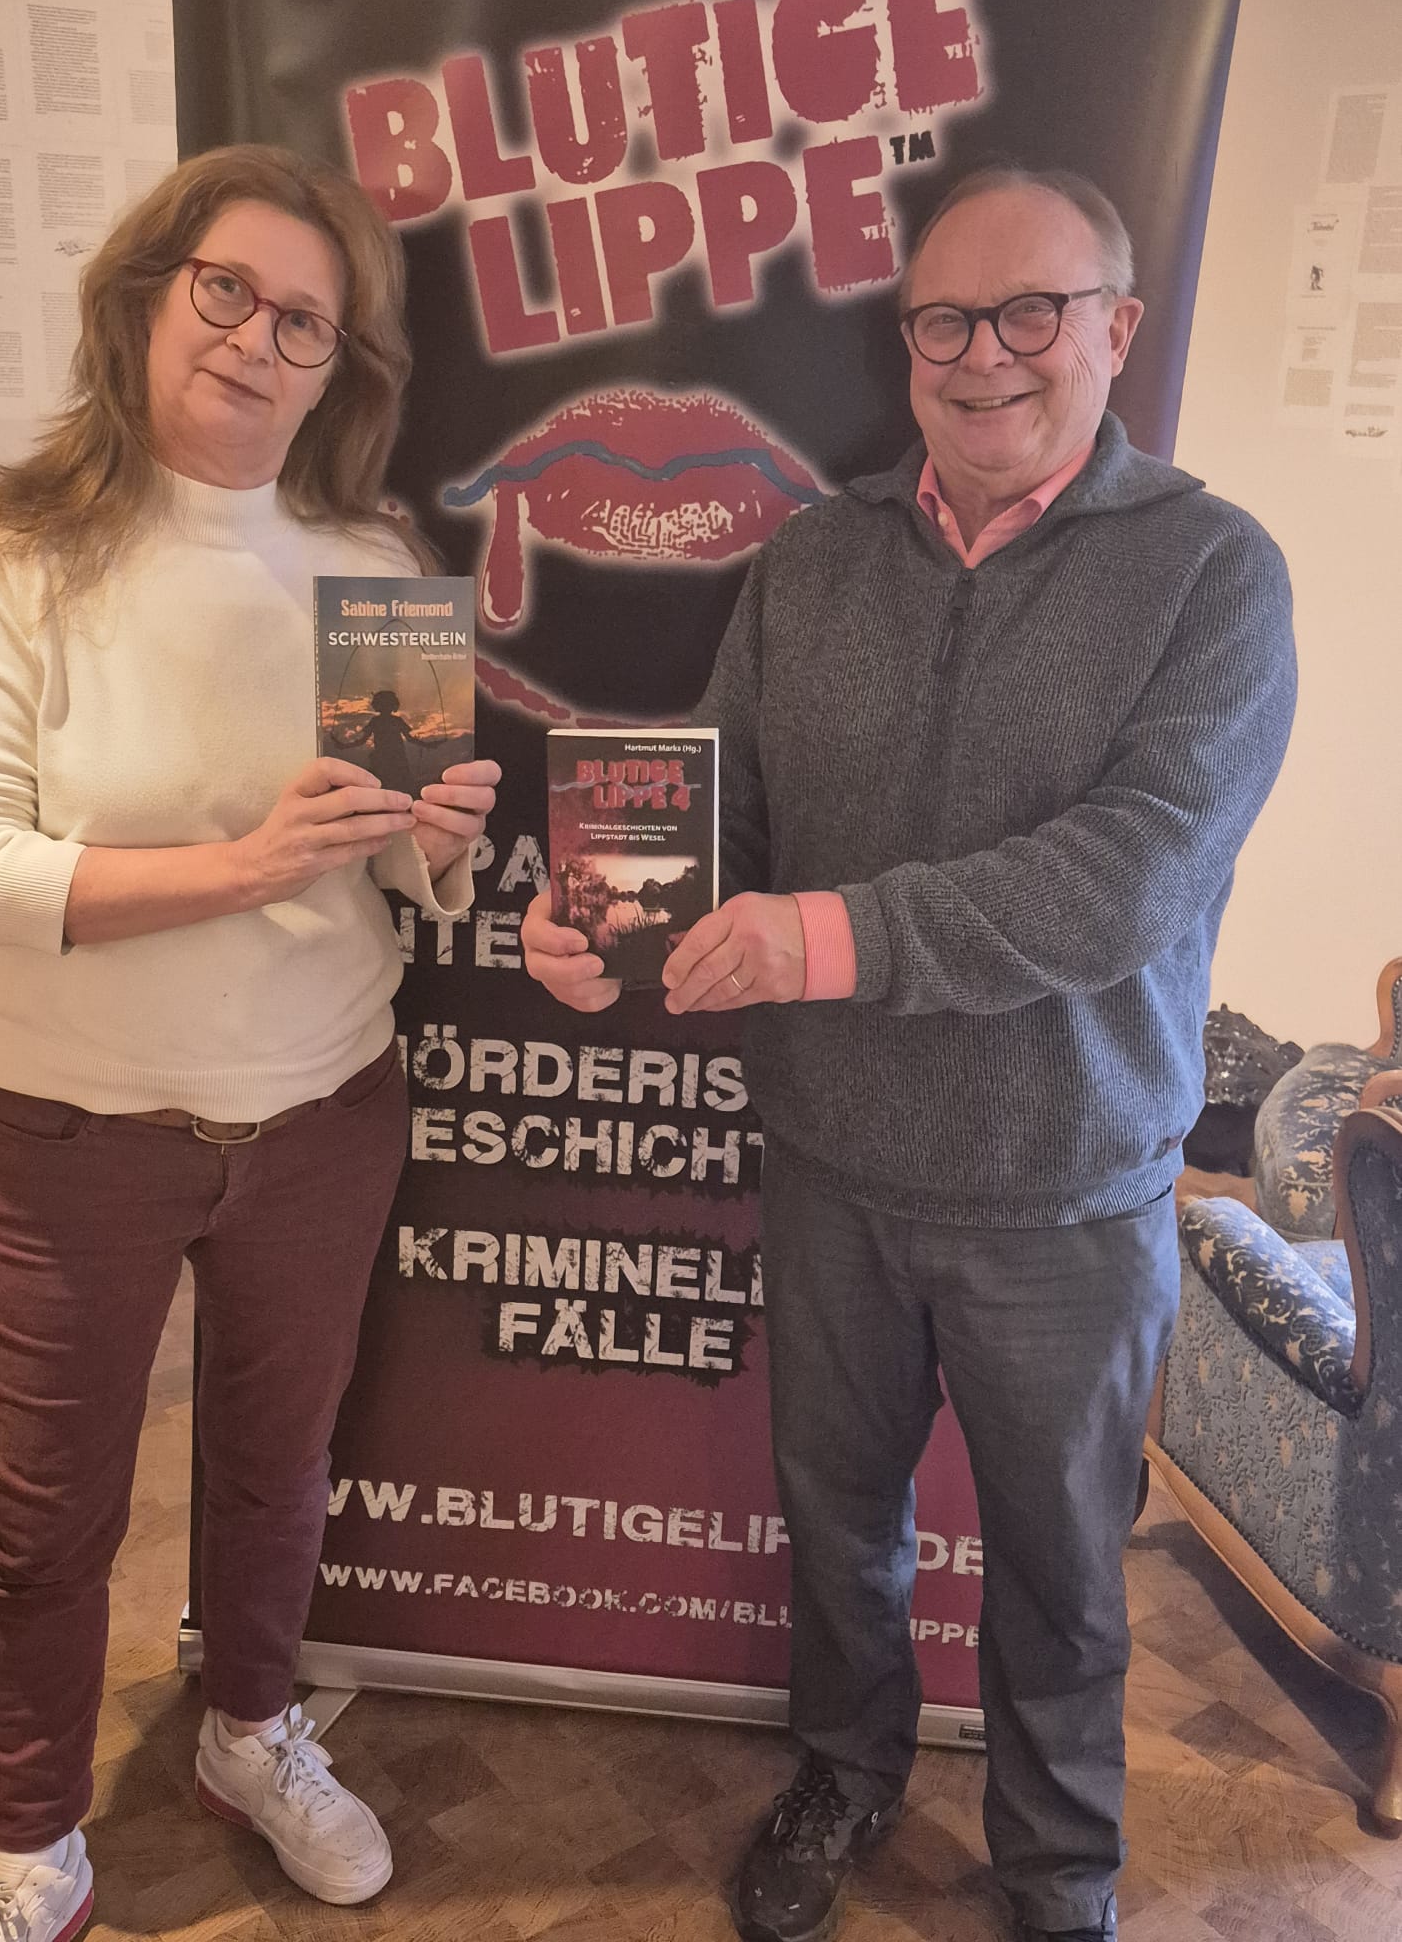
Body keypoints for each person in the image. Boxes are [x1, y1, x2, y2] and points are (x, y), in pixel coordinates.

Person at [522, 166, 1296, 1942]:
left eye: (1033, 313)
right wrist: (606, 921)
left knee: (1060, 1572)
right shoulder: (815, 556)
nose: (984, 355)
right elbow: (727, 810)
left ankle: (1059, 1872)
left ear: (1117, 328)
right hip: (835, 1168)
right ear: (907, 341)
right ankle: (845, 1770)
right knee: (839, 1524)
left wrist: (825, 939)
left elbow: (1127, 879)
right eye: (945, 319)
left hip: (1068, 1191)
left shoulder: (1213, 572)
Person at [0, 144, 500, 1940]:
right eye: (225, 290)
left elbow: (399, 876)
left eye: (304, 321)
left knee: (276, 1466)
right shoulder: (13, 555)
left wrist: (437, 842)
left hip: (322, 1115)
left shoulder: (369, 563)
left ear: (338, 370)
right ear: (145, 298)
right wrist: (245, 864)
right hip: (64, 1137)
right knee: (44, 1516)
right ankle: (33, 1840)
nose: (255, 338)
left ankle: (250, 1733)